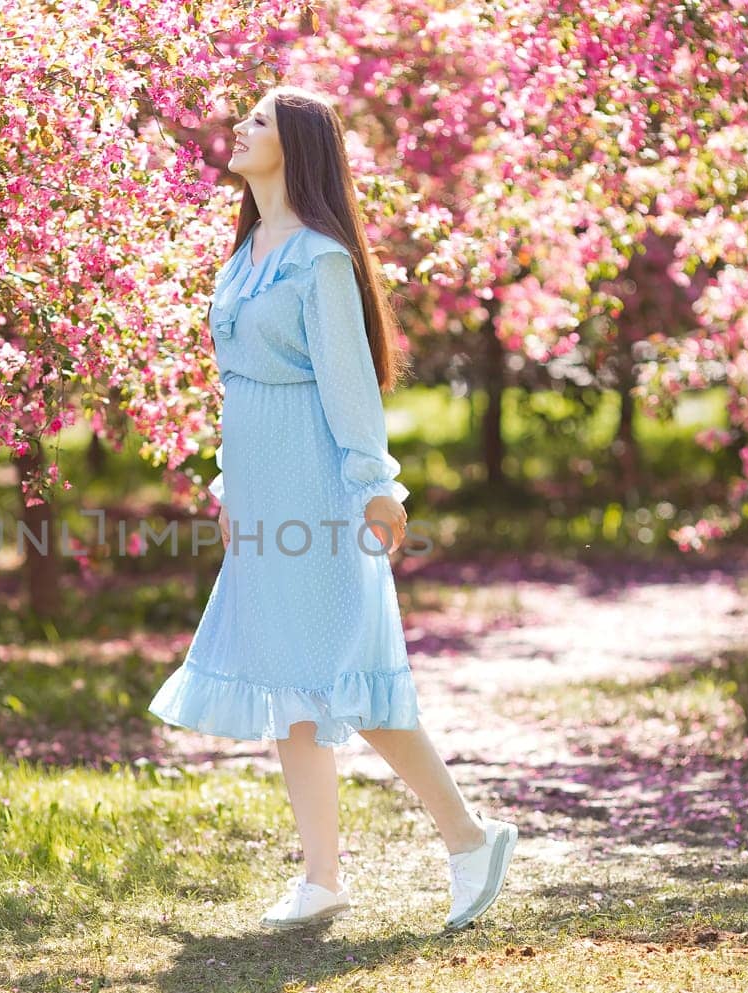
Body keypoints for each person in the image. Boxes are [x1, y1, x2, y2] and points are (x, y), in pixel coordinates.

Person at [148, 86, 519, 931]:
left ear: (298, 148)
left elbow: (349, 385)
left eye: (258, 124)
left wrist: (374, 485)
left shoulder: (319, 259)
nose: (238, 131)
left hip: (318, 485)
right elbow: (234, 386)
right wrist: (228, 484)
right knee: (293, 681)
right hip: (261, 488)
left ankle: (468, 837)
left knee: (344, 677)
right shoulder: (242, 257)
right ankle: (322, 877)